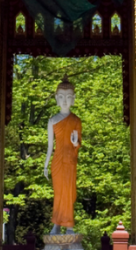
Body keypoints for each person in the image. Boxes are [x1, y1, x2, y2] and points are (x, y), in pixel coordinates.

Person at [42, 78, 82, 234]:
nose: (65, 101)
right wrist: (45, 165)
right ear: (56, 98)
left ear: (73, 99)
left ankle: (69, 225)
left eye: (68, 97)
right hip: (58, 161)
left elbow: (78, 144)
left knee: (69, 193)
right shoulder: (52, 120)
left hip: (70, 161)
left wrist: (75, 142)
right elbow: (50, 146)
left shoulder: (76, 120)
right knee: (58, 193)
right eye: (61, 97)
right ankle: (57, 224)